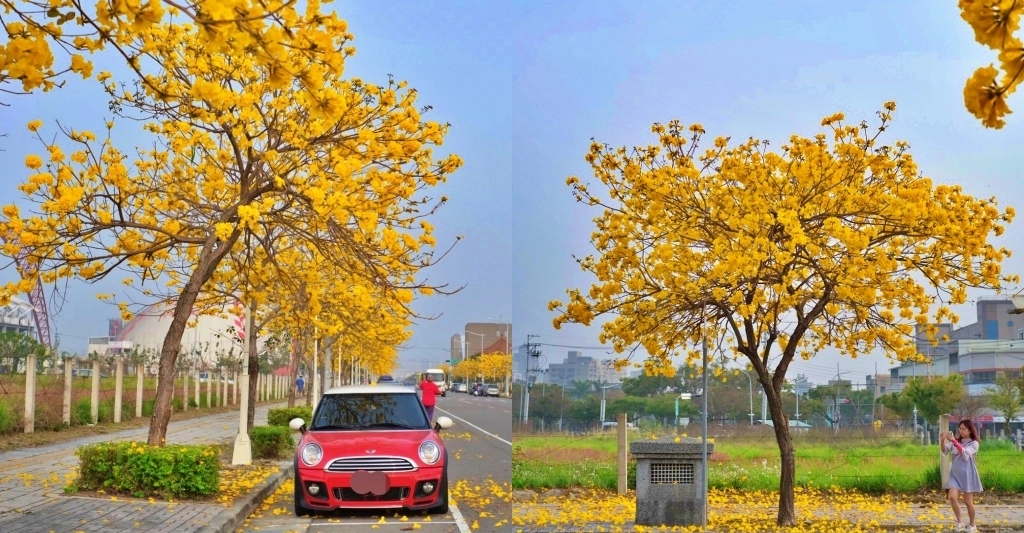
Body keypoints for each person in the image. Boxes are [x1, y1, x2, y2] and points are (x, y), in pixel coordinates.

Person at [941, 419, 983, 533]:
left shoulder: (974, 443)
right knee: (952, 497)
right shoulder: (956, 441)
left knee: (968, 502)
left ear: (970, 430)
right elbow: (945, 452)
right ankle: (960, 522)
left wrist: (954, 441)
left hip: (968, 475)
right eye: (960, 428)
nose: (961, 431)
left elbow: (965, 453)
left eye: (964, 429)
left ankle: (972, 524)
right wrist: (942, 441)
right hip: (955, 474)